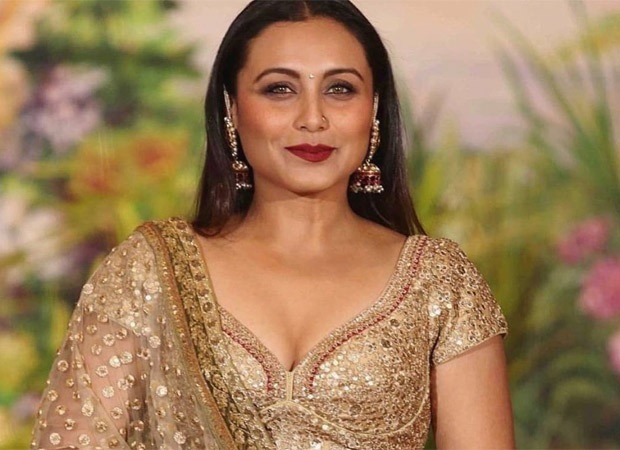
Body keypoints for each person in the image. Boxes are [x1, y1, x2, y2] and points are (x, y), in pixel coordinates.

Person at [31, 0, 514, 449]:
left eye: (340, 89)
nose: (313, 118)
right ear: (232, 110)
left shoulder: (438, 282)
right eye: (280, 89)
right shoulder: (150, 270)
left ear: (374, 110)